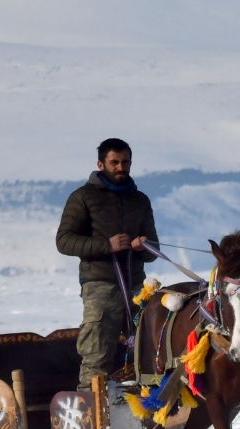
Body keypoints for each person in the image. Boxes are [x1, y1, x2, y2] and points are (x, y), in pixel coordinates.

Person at [56, 137, 159, 391]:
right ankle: (91, 420)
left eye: (125, 162)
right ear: (101, 164)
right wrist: (106, 245)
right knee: (96, 355)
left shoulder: (140, 200)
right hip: (100, 287)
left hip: (137, 287)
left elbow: (154, 250)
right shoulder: (83, 197)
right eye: (114, 162)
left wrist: (144, 245)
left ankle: (150, 419)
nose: (120, 167)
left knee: (151, 353)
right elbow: (64, 241)